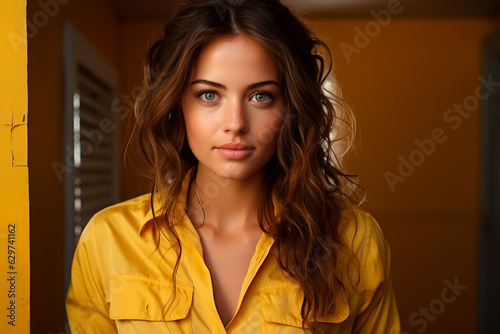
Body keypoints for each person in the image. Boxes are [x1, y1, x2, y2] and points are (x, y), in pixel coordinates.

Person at [66, 0, 400, 333]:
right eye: (209, 95)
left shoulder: (355, 240)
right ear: (177, 105)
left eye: (261, 96)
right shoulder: (107, 239)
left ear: (291, 109)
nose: (236, 124)